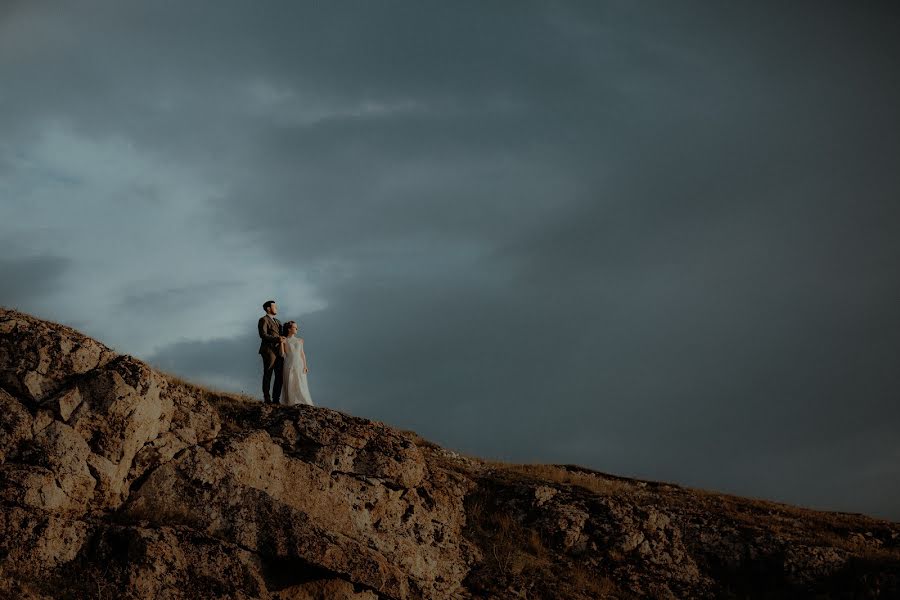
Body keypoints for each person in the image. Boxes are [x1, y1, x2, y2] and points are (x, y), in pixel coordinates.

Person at [280, 320, 314, 406]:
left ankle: (302, 401)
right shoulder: (285, 340)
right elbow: (282, 354)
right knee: (290, 381)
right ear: (289, 329)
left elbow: (302, 354)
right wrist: (281, 343)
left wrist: (305, 366)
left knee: (300, 382)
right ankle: (291, 402)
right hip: (289, 363)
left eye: (297, 328)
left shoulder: (300, 340)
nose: (297, 329)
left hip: (299, 363)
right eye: (295, 327)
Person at [257, 300, 285, 404]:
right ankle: (267, 397)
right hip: (269, 350)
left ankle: (276, 399)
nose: (276, 308)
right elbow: (263, 334)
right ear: (268, 308)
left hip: (279, 351)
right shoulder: (263, 320)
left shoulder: (278, 321)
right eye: (274, 306)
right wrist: (277, 339)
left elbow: (282, 334)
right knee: (268, 373)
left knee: (279, 375)